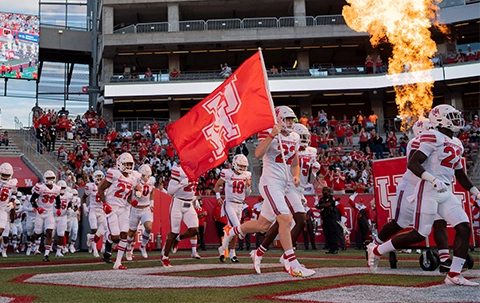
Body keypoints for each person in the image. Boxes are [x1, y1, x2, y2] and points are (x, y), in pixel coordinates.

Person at [367, 104, 480, 286]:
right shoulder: (432, 135)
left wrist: (476, 192)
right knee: (420, 234)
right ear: (440, 119)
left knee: (464, 227)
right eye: (451, 116)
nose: (457, 119)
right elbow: (413, 163)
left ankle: (454, 275)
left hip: (445, 191)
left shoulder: (457, 142)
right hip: (427, 189)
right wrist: (432, 179)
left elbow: (460, 174)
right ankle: (378, 250)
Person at [221, 106, 315, 277]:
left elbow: (295, 162)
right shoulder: (269, 132)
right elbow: (257, 154)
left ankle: (232, 231)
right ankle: (292, 263)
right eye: (286, 119)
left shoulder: (294, 137)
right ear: (279, 119)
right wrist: (272, 134)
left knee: (262, 225)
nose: (289, 123)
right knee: (285, 219)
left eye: (291, 120)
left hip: (285, 184)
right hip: (270, 182)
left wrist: (295, 176)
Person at [370, 118, 452, 272]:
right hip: (412, 187)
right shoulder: (416, 142)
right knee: (400, 222)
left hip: (430, 188)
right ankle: (375, 244)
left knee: (439, 221)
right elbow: (415, 164)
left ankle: (445, 259)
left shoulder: (440, 141)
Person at [98, 153, 137, 270]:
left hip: (124, 209)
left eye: (130, 164)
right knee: (115, 236)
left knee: (124, 234)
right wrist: (104, 203)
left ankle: (118, 262)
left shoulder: (133, 178)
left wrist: (132, 202)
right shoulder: (114, 174)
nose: (129, 167)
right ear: (120, 164)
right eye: (126, 164)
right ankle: (109, 242)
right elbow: (101, 188)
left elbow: (128, 196)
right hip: (112, 207)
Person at [161, 162, 201, 267]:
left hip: (189, 204)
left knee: (194, 230)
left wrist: (194, 198)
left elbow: (192, 189)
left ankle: (178, 239)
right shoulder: (178, 169)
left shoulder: (197, 169)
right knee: (174, 231)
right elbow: (170, 190)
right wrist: (181, 184)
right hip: (177, 203)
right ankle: (165, 257)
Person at [215, 154, 252, 263]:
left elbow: (248, 193)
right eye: (240, 165)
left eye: (244, 166)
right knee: (238, 229)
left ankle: (228, 251)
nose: (242, 168)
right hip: (229, 203)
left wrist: (248, 186)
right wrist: (218, 197)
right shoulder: (227, 173)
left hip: (240, 205)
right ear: (235, 164)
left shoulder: (247, 174)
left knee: (233, 230)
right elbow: (217, 185)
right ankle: (225, 250)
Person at [30, 170, 61, 262]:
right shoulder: (40, 187)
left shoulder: (56, 188)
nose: (50, 180)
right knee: (38, 233)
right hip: (40, 213)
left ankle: (46, 255)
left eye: (51, 178)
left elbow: (58, 199)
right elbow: (32, 200)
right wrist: (37, 207)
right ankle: (33, 238)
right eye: (48, 178)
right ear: (44, 179)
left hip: (49, 213)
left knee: (49, 232)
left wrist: (58, 208)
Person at [126, 164, 155, 259]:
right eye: (144, 175)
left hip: (146, 208)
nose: (146, 178)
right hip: (136, 209)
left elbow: (152, 192)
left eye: (148, 176)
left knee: (149, 228)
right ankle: (129, 249)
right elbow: (128, 196)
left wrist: (151, 203)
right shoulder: (134, 181)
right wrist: (132, 202)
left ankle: (143, 246)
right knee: (131, 232)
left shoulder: (151, 181)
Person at [82, 170, 105, 258]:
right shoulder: (90, 186)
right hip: (93, 210)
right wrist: (84, 207)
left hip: (102, 211)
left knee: (102, 231)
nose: (99, 178)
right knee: (94, 229)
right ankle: (95, 250)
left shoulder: (106, 186)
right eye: (97, 176)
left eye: (101, 176)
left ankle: (93, 239)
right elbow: (84, 197)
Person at [0, 163, 17, 257]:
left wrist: (12, 201)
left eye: (7, 175)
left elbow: (14, 192)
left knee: (1, 231)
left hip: (3, 210)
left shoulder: (13, 182)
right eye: (3, 175)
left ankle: (3, 250)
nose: (5, 177)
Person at [316, 187, 338, 254]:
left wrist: (322, 205)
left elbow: (328, 204)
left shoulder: (331, 198)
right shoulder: (322, 199)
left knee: (332, 233)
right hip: (324, 218)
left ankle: (335, 248)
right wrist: (322, 205)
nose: (324, 192)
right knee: (326, 233)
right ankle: (330, 248)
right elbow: (317, 206)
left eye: (325, 190)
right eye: (323, 190)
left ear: (328, 191)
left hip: (331, 217)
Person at [54, 180, 71, 257]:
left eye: (64, 187)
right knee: (50, 233)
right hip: (53, 216)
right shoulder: (53, 194)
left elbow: (69, 203)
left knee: (61, 234)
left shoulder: (68, 195)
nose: (62, 189)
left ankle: (58, 251)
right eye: (61, 187)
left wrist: (69, 209)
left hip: (63, 217)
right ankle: (47, 250)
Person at [65, 189, 80, 253]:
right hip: (67, 217)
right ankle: (66, 245)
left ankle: (72, 245)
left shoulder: (78, 200)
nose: (75, 196)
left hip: (74, 217)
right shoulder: (67, 199)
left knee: (75, 231)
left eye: (76, 195)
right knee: (68, 232)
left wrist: (79, 215)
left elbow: (78, 208)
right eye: (74, 195)